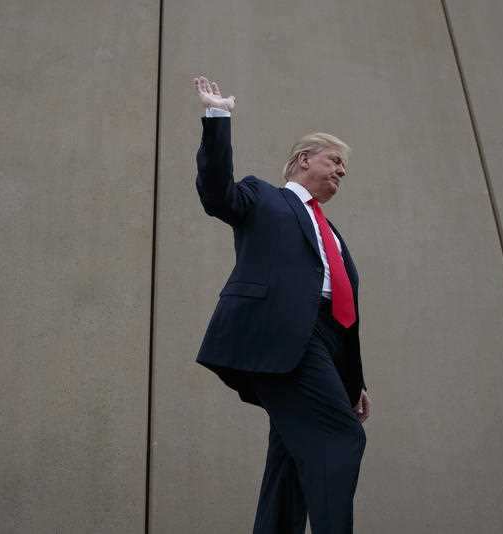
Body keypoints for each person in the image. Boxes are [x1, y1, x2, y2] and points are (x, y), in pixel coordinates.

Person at [192, 75, 371, 534]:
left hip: (322, 348)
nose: (342, 171)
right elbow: (217, 192)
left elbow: (342, 313)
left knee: (289, 463)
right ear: (303, 159)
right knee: (339, 436)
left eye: (344, 167)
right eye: (335, 161)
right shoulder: (264, 197)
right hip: (281, 336)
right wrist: (218, 116)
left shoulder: (333, 234)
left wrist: (353, 381)